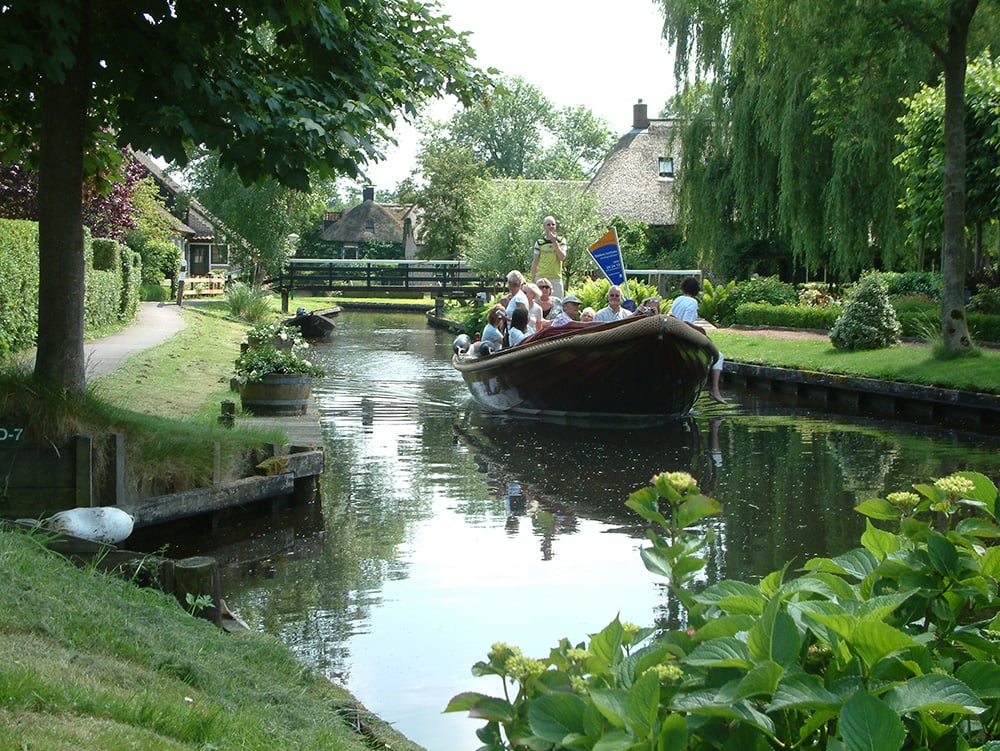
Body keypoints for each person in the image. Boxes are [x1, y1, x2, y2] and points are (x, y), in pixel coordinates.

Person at [669, 275, 727, 404]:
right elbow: (686, 323)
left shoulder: (677, 299)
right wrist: (700, 329)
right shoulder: (693, 302)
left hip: (674, 336)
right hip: (685, 337)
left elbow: (673, 317)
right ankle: (715, 390)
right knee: (719, 356)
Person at [530, 216, 567, 298]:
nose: (551, 226)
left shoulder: (561, 241)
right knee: (539, 301)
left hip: (556, 277)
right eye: (548, 224)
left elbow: (562, 257)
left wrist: (554, 242)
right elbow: (535, 261)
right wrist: (533, 279)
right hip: (541, 277)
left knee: (557, 304)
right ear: (544, 226)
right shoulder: (539, 243)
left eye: (553, 224)